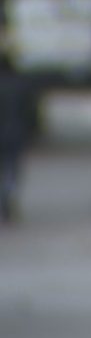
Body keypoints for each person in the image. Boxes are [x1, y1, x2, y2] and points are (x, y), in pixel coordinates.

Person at [0, 52, 31, 223]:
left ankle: (4, 199)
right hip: (15, 133)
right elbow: (28, 112)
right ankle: (8, 196)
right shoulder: (20, 85)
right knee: (12, 169)